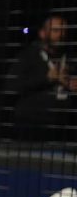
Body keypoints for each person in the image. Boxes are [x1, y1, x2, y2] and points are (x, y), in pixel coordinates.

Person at [8, 12, 70, 142]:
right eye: (56, 30)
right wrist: (46, 79)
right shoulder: (28, 56)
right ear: (42, 33)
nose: (61, 35)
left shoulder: (70, 57)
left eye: (64, 31)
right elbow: (11, 86)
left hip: (63, 126)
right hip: (32, 125)